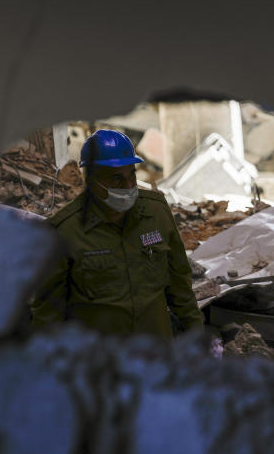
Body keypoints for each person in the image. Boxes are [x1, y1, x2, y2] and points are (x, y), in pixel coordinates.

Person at [31, 129, 204, 339]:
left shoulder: (156, 212)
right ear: (91, 179)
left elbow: (181, 289)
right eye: (116, 179)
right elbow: (48, 316)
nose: (128, 186)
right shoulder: (64, 232)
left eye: (131, 175)